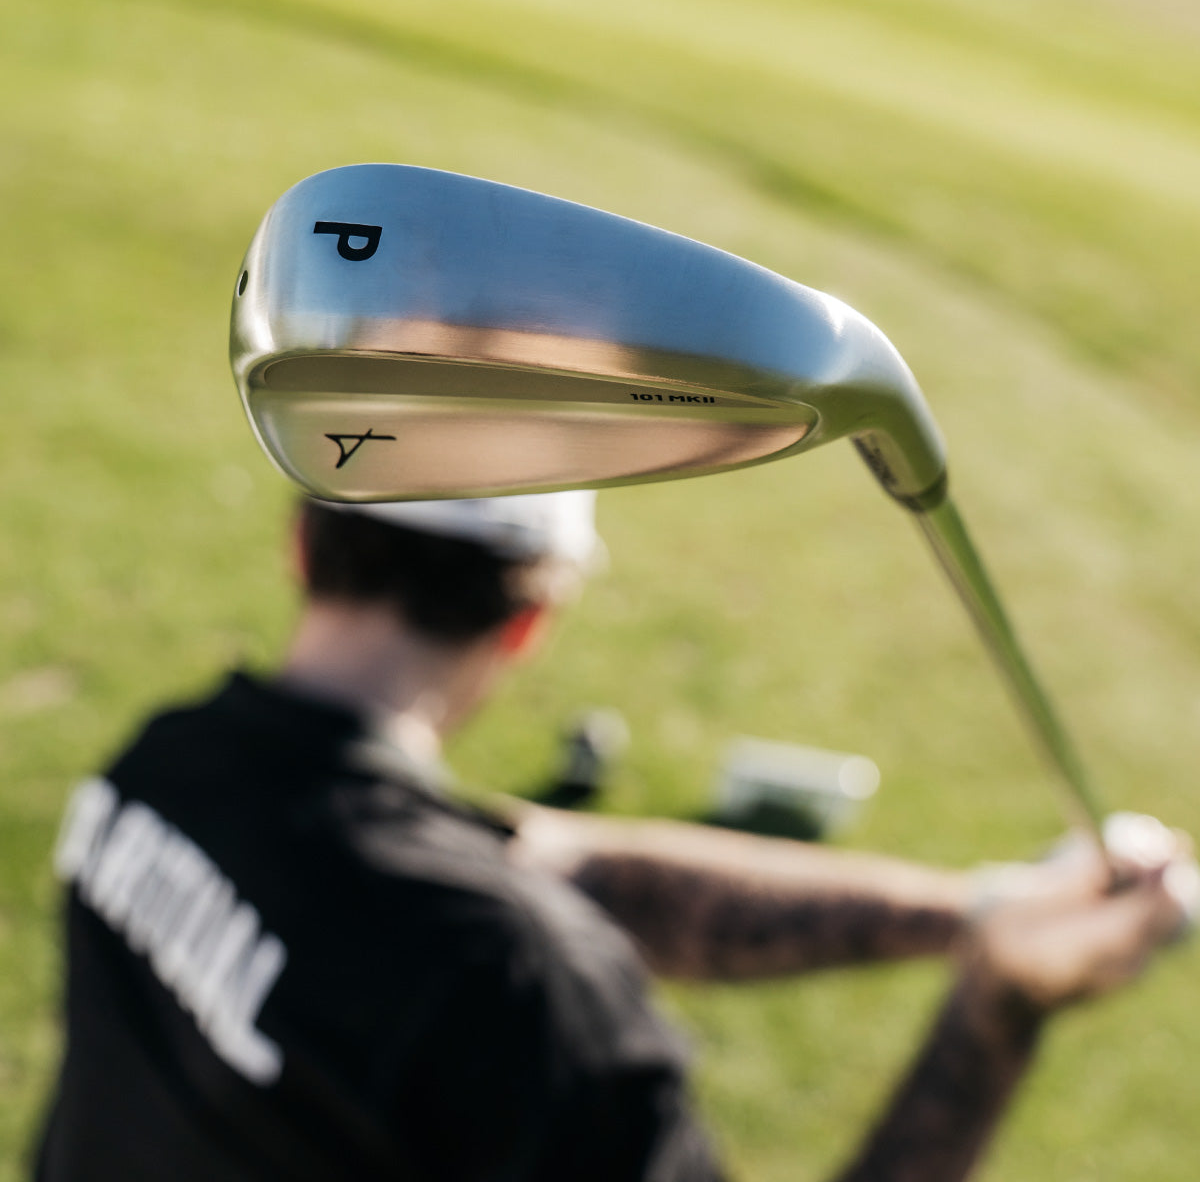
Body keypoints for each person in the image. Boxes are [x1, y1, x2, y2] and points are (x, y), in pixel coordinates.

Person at [35, 492, 1196, 1182]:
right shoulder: (526, 993)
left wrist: (983, 909)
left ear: (302, 537)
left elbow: (564, 867)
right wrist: (999, 1005)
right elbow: (526, 903)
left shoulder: (169, 765)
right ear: (533, 616)